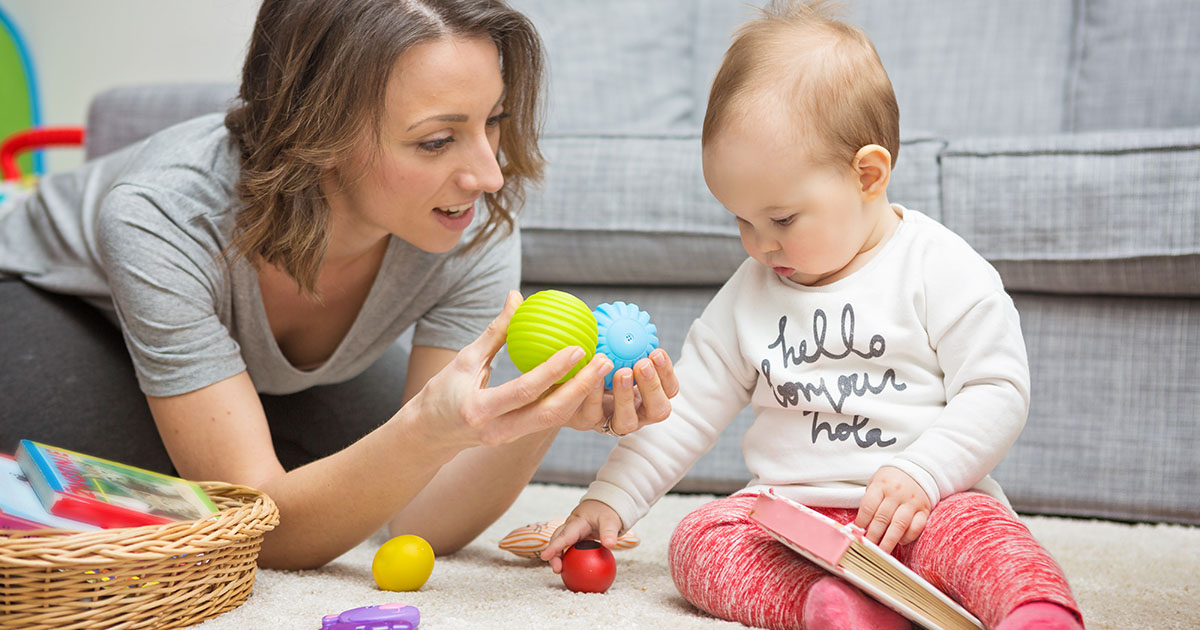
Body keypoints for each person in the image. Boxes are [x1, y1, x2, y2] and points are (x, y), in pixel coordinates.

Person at [0, 0, 677, 570]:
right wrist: (415, 439)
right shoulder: (164, 214)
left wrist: (550, 407)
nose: (490, 175)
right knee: (189, 499)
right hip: (45, 303)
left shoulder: (470, 223)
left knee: (380, 459)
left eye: (491, 121)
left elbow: (423, 520)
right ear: (315, 134)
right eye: (438, 140)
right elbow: (258, 530)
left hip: (260, 372)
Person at [541, 2, 1083, 629]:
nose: (758, 245)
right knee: (698, 540)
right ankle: (833, 608)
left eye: (781, 220)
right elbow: (684, 410)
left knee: (987, 538)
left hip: (926, 508)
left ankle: (1034, 613)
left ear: (868, 176)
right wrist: (610, 499)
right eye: (740, 220)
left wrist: (924, 473)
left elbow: (997, 389)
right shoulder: (752, 291)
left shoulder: (939, 267)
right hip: (793, 524)